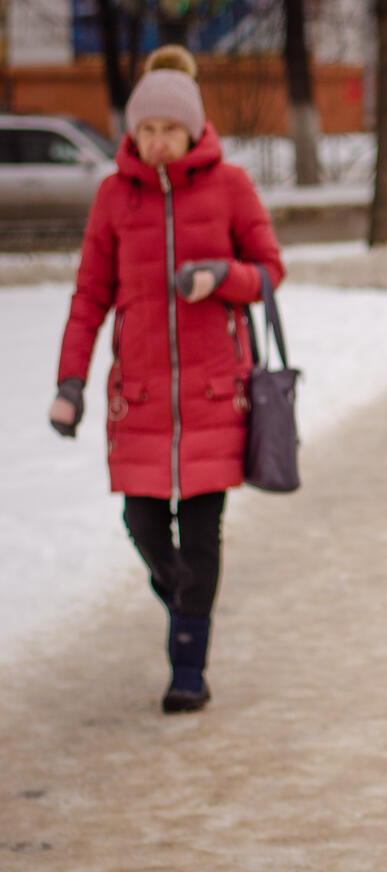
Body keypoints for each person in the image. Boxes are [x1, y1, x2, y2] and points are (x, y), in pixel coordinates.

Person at [49, 44, 284, 714]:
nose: (156, 143)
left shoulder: (231, 186)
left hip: (215, 393)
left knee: (201, 532)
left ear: (192, 130)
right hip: (142, 399)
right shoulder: (112, 197)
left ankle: (188, 669)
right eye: (145, 130)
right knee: (144, 524)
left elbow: (270, 270)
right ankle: (183, 600)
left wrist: (220, 279)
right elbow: (89, 298)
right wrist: (70, 385)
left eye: (168, 130)